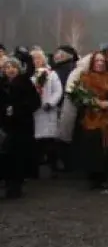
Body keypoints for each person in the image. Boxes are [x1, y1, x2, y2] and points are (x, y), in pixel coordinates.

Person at [75, 50, 108, 192]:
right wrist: (92, 102)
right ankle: (94, 178)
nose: (99, 63)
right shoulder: (85, 78)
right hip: (91, 117)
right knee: (93, 147)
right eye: (97, 61)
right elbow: (79, 97)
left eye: (102, 61)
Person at [0, 57, 42, 198]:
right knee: (6, 156)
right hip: (5, 126)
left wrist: (17, 109)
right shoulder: (2, 84)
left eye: (13, 67)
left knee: (19, 156)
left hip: (22, 125)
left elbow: (35, 102)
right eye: (7, 67)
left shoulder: (25, 83)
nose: (10, 70)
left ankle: (16, 185)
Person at [29, 49, 63, 177]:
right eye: (34, 59)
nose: (36, 61)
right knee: (36, 143)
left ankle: (53, 167)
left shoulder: (51, 74)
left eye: (38, 58)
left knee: (50, 141)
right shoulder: (29, 75)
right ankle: (35, 169)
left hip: (48, 111)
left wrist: (51, 103)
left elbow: (58, 91)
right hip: (35, 112)